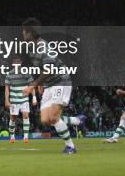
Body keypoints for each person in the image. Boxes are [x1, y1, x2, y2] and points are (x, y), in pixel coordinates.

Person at [21, 18, 85, 154]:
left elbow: (49, 69)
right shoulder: (32, 48)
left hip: (61, 81)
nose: (23, 34)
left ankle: (71, 147)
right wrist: (41, 83)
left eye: (24, 32)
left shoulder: (43, 46)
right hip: (49, 84)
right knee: (45, 120)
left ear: (30, 33)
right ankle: (77, 121)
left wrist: (32, 85)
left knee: (54, 117)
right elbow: (41, 67)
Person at [5, 55, 37, 144]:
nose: (16, 64)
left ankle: (26, 137)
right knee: (13, 118)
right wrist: (6, 100)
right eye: (15, 62)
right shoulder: (9, 74)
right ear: (12, 63)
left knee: (26, 115)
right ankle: (12, 136)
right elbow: (7, 88)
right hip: (14, 99)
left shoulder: (26, 73)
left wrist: (34, 97)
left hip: (24, 99)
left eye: (18, 62)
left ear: (20, 63)